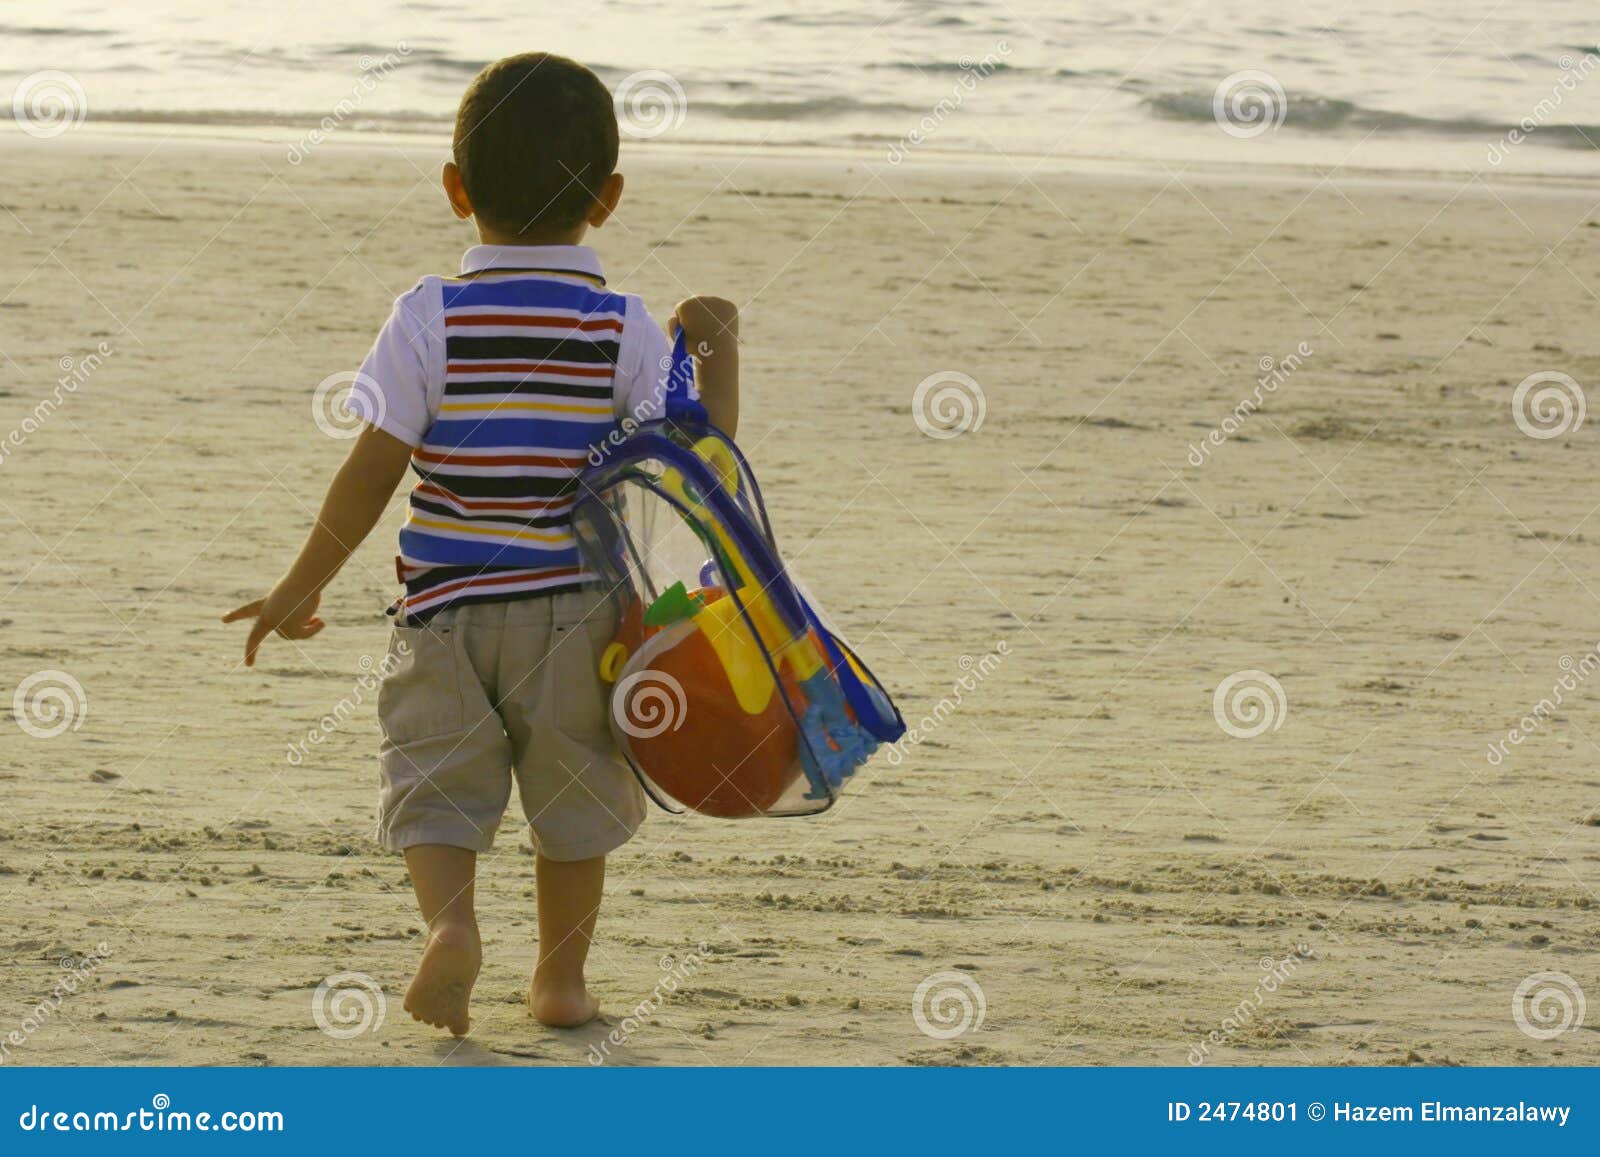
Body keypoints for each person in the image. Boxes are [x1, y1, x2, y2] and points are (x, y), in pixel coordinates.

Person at [223, 52, 739, 1037]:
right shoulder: (622, 327)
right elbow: (688, 465)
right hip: (575, 616)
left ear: (456, 189)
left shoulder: (430, 317)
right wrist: (712, 352)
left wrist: (299, 583)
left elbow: (373, 468)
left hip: (444, 610)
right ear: (610, 197)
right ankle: (559, 984)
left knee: (434, 783)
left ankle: (451, 926)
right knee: (575, 799)